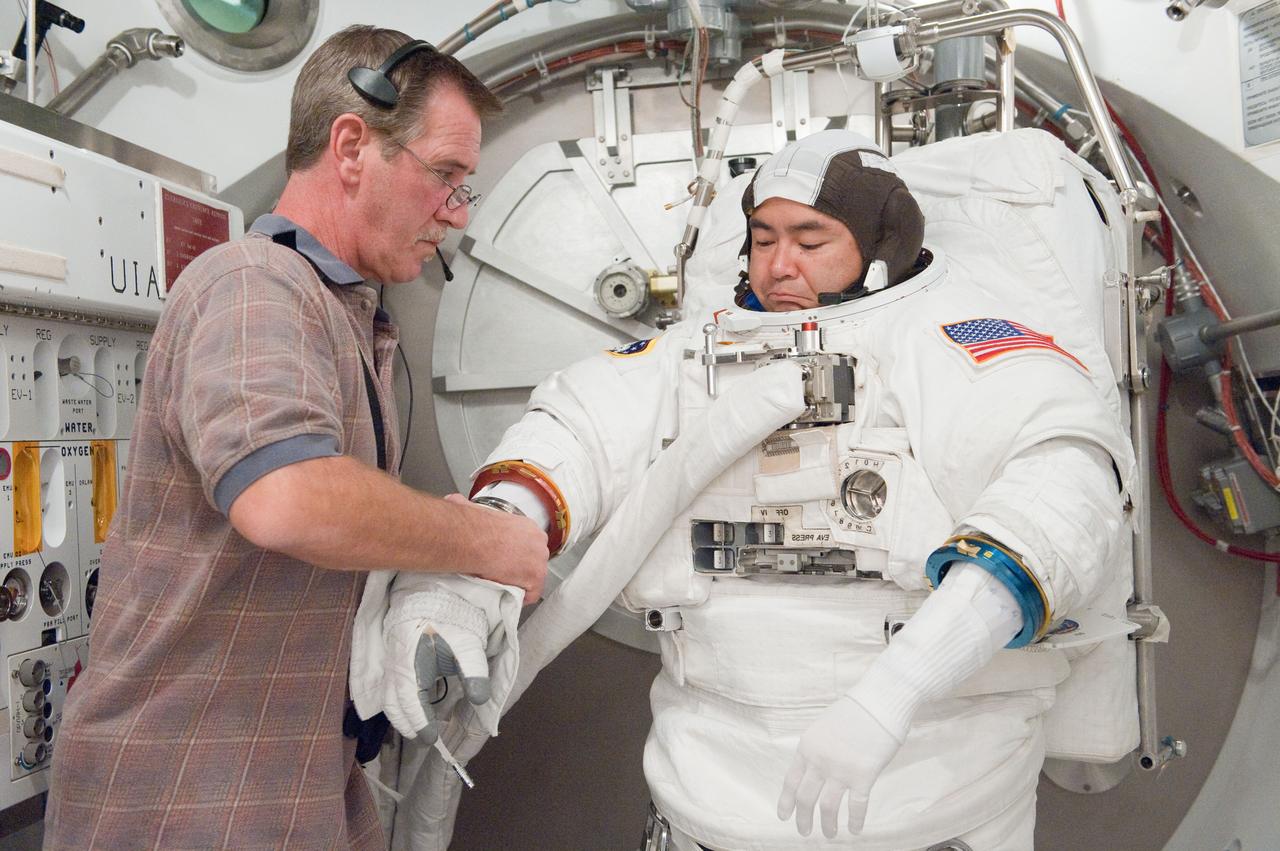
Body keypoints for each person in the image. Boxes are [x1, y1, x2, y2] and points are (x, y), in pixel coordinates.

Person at [381, 129, 1135, 850]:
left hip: (924, 791)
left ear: (882, 248)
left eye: (810, 242)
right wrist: (474, 569)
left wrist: (894, 694)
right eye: (764, 240)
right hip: (706, 794)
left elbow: (1062, 486)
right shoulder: (693, 354)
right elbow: (574, 429)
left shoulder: (949, 340)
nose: (779, 266)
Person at [42, 25, 548, 850]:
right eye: (444, 176)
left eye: (466, 187)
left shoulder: (344, 316)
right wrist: (486, 541)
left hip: (290, 779)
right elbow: (287, 498)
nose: (456, 214)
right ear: (351, 146)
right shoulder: (253, 282)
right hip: (182, 800)